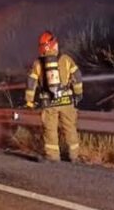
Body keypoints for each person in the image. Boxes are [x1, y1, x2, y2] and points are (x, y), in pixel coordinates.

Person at [24, 31, 83, 162]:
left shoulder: (38, 64)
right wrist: (78, 93)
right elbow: (77, 76)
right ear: (54, 45)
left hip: (49, 102)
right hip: (66, 100)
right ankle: (74, 156)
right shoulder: (66, 59)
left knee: (50, 129)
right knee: (70, 128)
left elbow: (31, 83)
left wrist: (29, 102)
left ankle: (53, 156)